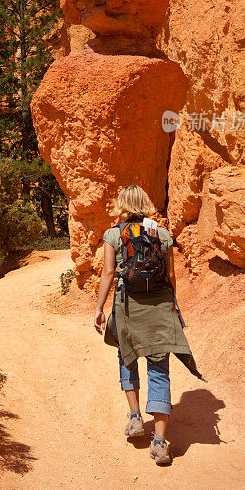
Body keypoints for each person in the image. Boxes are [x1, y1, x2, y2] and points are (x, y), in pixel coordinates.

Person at [94, 184, 205, 465]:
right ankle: (159, 442)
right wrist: (173, 306)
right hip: (158, 310)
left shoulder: (113, 234)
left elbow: (108, 272)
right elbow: (170, 275)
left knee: (127, 358)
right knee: (159, 369)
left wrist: (99, 308)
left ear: (122, 204)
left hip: (127, 308)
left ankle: (134, 418)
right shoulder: (163, 234)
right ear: (144, 203)